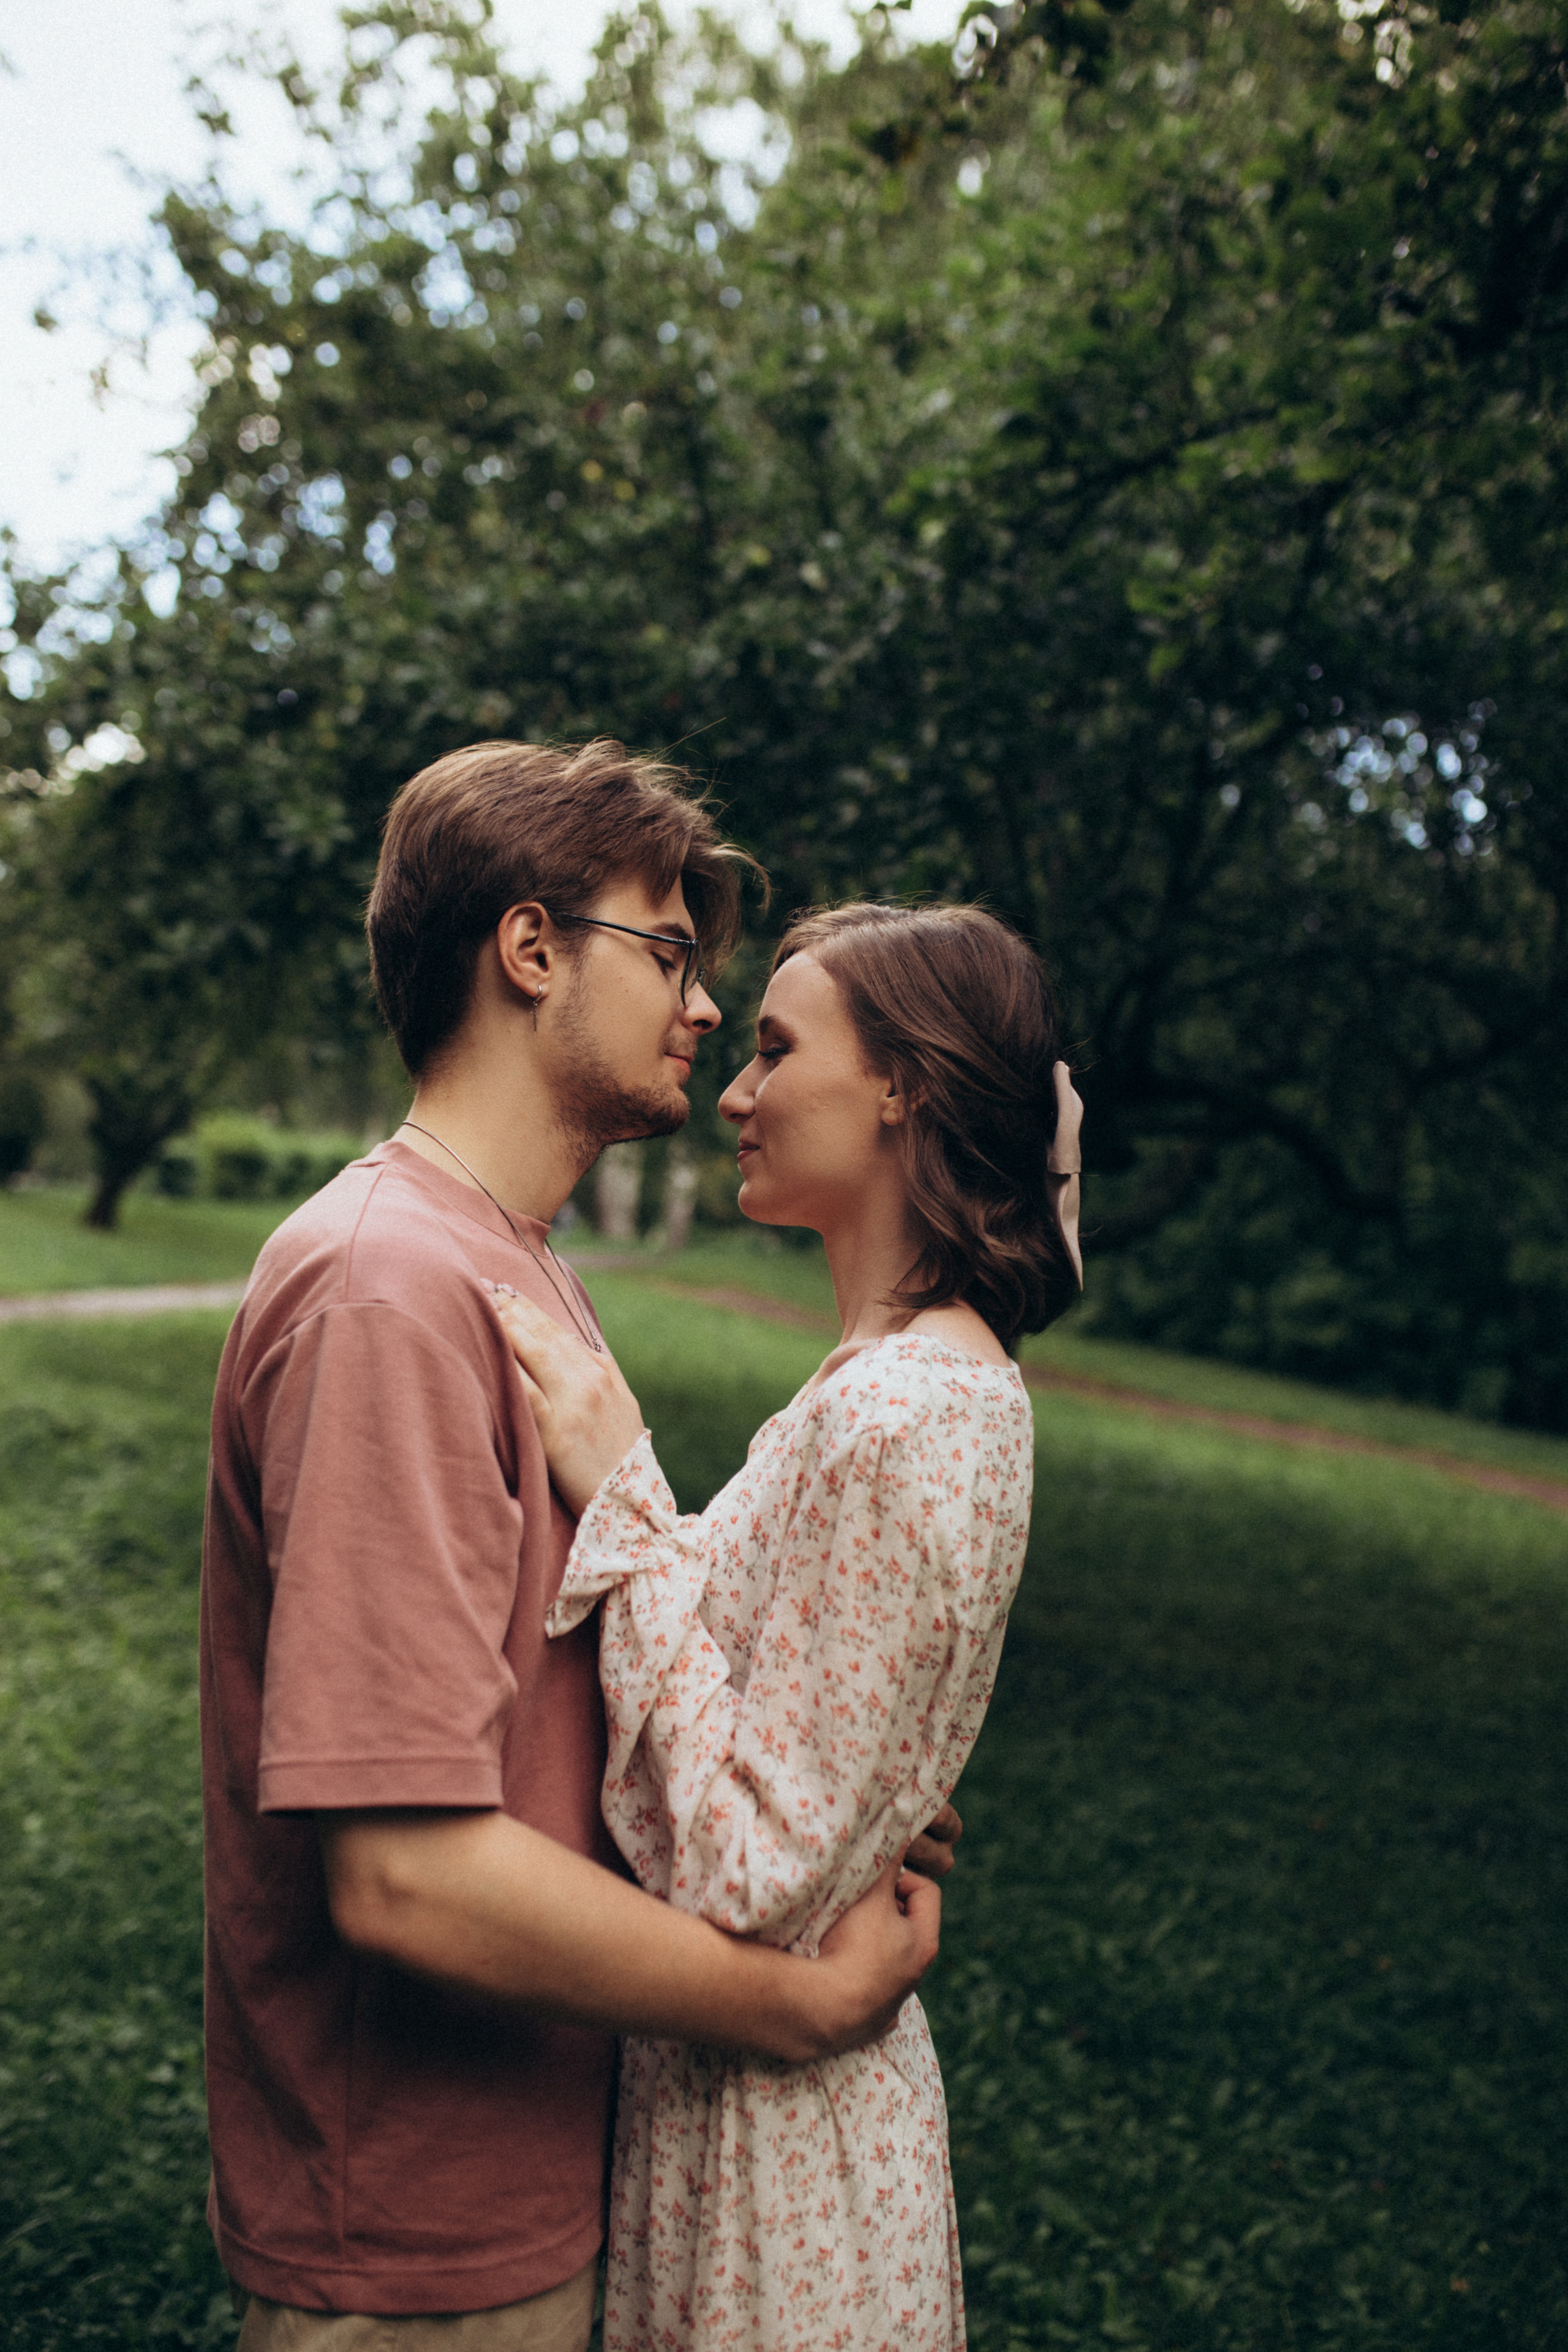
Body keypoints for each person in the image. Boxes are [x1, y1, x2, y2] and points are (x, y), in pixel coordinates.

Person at [200, 741, 945, 2352]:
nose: (701, 1009)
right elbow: (404, 1875)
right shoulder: (386, 1290)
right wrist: (791, 2001)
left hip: (547, 2185)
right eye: (668, 952)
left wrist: (814, 1799)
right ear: (530, 948)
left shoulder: (508, 1267)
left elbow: (578, 1697)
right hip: (418, 2242)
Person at [493, 899, 1085, 2352]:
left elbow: (748, 1869)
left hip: (775, 2167)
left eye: (772, 1048)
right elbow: (809, 1770)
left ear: (904, 1088)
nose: (736, 1091)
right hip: (741, 2110)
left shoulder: (911, 1409)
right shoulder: (883, 1381)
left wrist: (621, 1486)